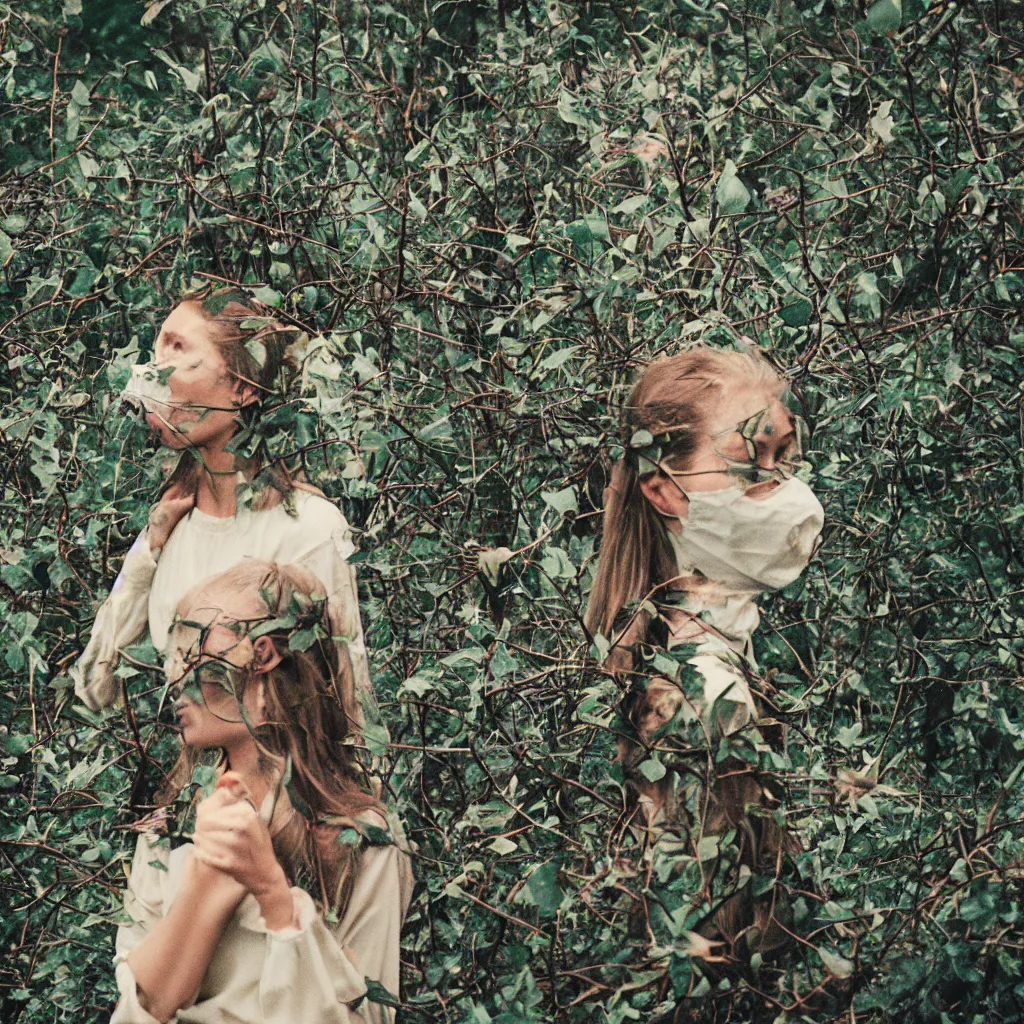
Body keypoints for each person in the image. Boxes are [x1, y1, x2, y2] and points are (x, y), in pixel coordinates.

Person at [585, 348, 824, 966]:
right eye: (749, 462)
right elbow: (709, 955)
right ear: (663, 489)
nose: (784, 491)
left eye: (785, 460)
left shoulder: (664, 647)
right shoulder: (706, 695)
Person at [111, 560, 412, 1024]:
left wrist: (274, 895)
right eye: (173, 657)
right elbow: (138, 1011)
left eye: (193, 651)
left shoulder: (363, 837)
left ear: (262, 655)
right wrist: (206, 882)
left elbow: (367, 1017)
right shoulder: (170, 829)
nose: (173, 680)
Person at [71, 287, 376, 738]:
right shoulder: (171, 527)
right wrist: (148, 550)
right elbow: (96, 690)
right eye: (157, 346)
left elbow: (350, 710)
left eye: (178, 348)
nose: (154, 369)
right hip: (183, 801)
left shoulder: (309, 530)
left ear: (241, 387)